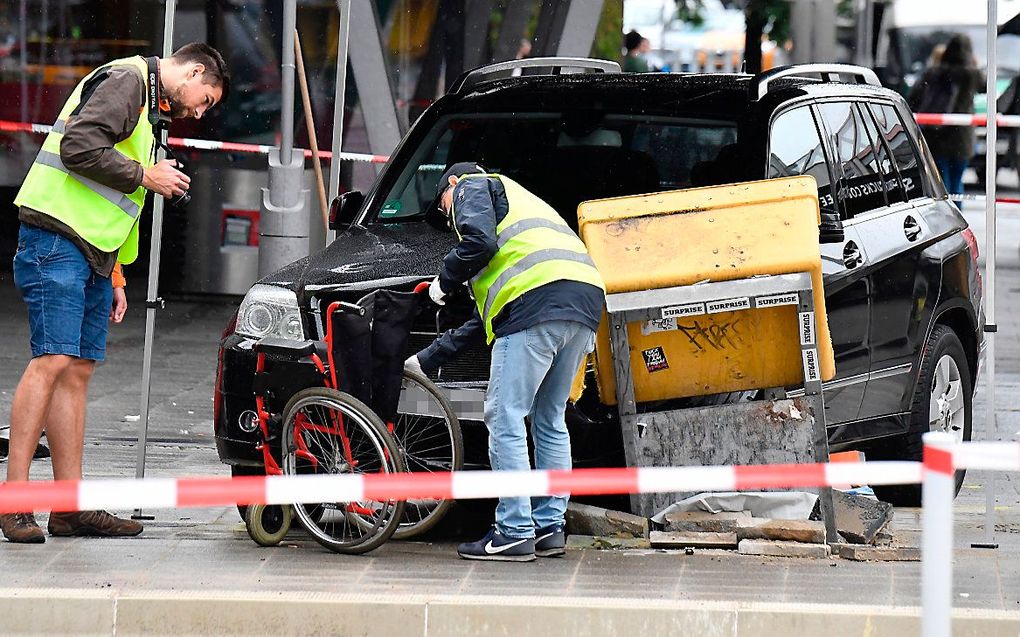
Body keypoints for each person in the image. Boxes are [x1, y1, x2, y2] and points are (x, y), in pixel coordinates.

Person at [1, 43, 229, 544]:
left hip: (91, 251)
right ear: (192, 71)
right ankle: (14, 501)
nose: (198, 111)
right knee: (52, 361)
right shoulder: (128, 81)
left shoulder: (147, 105)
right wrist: (146, 174)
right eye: (205, 98)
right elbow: (78, 147)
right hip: (58, 237)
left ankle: (69, 508)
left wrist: (118, 272)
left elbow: (120, 196)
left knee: (75, 370)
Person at [405, 162, 605, 562]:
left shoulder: (473, 186)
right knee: (549, 418)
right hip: (583, 301)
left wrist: (443, 283)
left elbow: (478, 242)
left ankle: (514, 530)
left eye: (444, 207)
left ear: (453, 184)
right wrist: (424, 360)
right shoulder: (524, 213)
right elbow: (484, 323)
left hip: (537, 304)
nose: (449, 219)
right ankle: (550, 527)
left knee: (505, 415)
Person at [908, 34, 983, 197]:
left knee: (941, 183)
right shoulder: (970, 75)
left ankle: (947, 217)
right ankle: (958, 217)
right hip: (962, 138)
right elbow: (984, 86)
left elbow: (914, 97)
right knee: (957, 183)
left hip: (936, 135)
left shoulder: (933, 73)